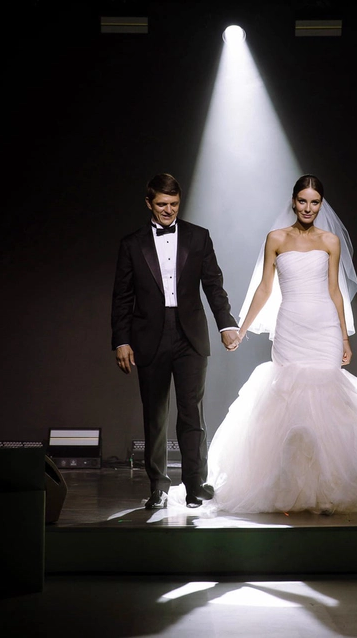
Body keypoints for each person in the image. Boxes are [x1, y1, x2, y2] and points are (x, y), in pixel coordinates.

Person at [190, 175, 357, 514]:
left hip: (324, 327)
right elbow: (265, 288)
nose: (308, 208)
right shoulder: (276, 238)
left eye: (314, 202)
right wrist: (241, 329)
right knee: (288, 400)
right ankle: (291, 490)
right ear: (293, 201)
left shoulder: (330, 241)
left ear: (321, 204)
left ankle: (328, 491)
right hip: (290, 326)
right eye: (302, 201)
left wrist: (344, 336)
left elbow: (335, 290)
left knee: (328, 400)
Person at [111, 173, 239, 509]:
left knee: (191, 412)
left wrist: (226, 324)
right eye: (161, 204)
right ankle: (158, 487)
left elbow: (213, 285)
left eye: (174, 204)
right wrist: (121, 340)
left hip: (189, 335)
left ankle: (195, 485)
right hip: (149, 336)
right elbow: (122, 297)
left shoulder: (198, 237)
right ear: (148, 203)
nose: (168, 210)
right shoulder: (132, 243)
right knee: (154, 414)